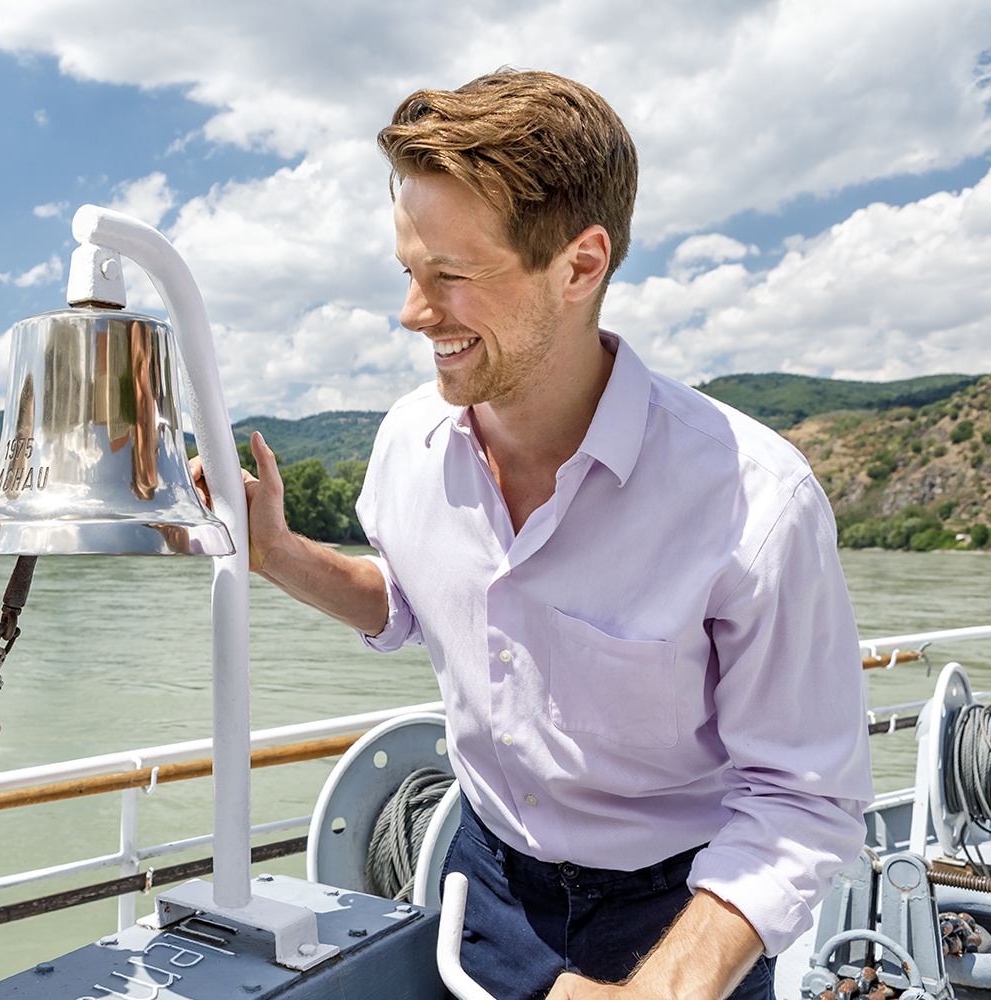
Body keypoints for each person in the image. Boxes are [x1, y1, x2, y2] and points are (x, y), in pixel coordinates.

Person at [207, 71, 872, 1000]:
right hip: (484, 879)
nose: (413, 313)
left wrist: (660, 990)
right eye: (408, 272)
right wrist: (276, 550)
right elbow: (410, 601)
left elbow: (804, 797)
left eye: (452, 276)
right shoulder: (407, 443)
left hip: (681, 908)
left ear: (581, 265)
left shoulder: (757, 501)